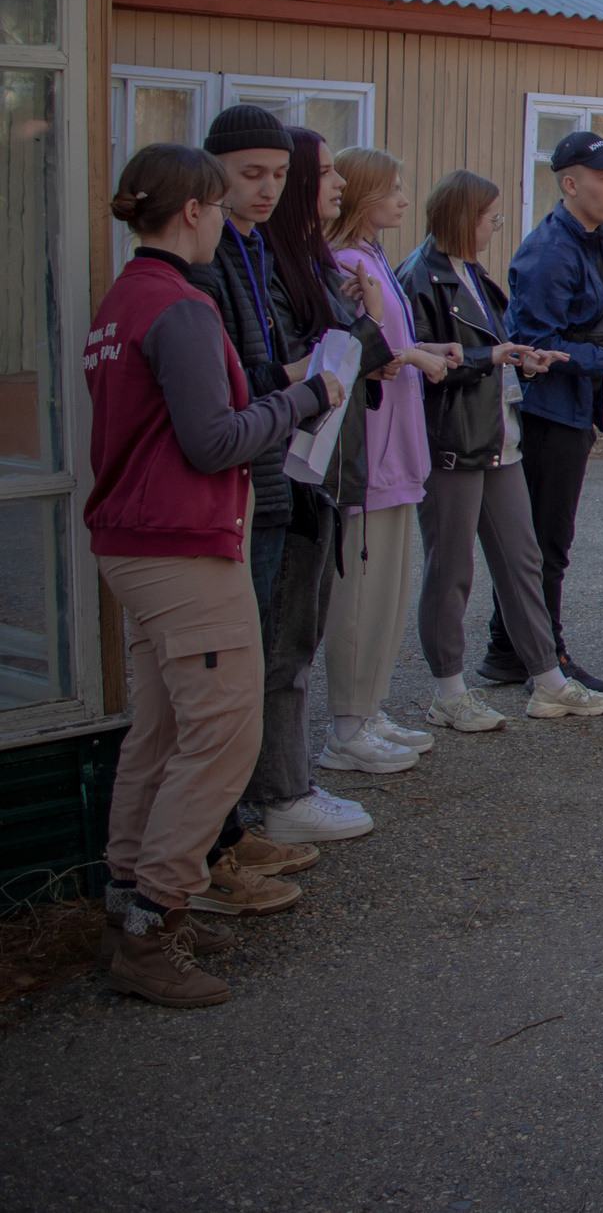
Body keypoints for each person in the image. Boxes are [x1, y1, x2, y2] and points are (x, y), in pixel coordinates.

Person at [88, 145, 342, 1005]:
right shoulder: (184, 305)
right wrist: (305, 400)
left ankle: (125, 900)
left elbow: (183, 418)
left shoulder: (125, 299)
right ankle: (155, 921)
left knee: (158, 732)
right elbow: (215, 439)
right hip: (183, 544)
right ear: (194, 210)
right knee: (224, 736)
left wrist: (275, 386)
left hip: (135, 541)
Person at [193, 104, 375, 858]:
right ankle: (255, 810)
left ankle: (268, 799)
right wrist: (300, 379)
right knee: (257, 660)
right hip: (259, 478)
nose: (269, 190)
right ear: (213, 178)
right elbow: (236, 380)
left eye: (281, 175)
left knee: (284, 646)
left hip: (296, 468)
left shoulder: (260, 251)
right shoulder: (215, 261)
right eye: (253, 175)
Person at [400, 172, 603, 724]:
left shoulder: (470, 273)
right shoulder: (422, 277)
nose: (496, 228)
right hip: (453, 443)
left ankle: (546, 678)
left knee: (524, 560)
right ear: (461, 218)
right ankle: (448, 694)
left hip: (499, 436)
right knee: (450, 571)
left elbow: (492, 346)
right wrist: (490, 360)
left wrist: (518, 356)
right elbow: (418, 364)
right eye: (490, 218)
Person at [249, 128, 398, 844]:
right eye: (324, 173)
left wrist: (358, 325)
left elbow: (361, 353)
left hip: (322, 471)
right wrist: (358, 328)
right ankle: (279, 794)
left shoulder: (306, 262)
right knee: (282, 644)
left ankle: (286, 783)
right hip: (289, 472)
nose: (336, 184)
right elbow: (327, 363)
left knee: (296, 639)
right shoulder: (266, 265)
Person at [480, 131, 603, 691]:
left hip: (574, 408)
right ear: (570, 184)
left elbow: (595, 314)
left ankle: (508, 650)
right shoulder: (549, 250)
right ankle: (544, 656)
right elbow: (534, 341)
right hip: (547, 413)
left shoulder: (591, 237)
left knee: (543, 540)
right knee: (544, 543)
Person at [318, 147, 455, 776]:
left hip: (397, 444)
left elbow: (391, 340)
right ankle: (346, 723)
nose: (404, 199)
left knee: (390, 589)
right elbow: (363, 351)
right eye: (393, 189)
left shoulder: (374, 258)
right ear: (362, 197)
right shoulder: (346, 262)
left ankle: (368, 710)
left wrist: (423, 348)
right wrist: (416, 358)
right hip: (368, 447)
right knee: (361, 591)